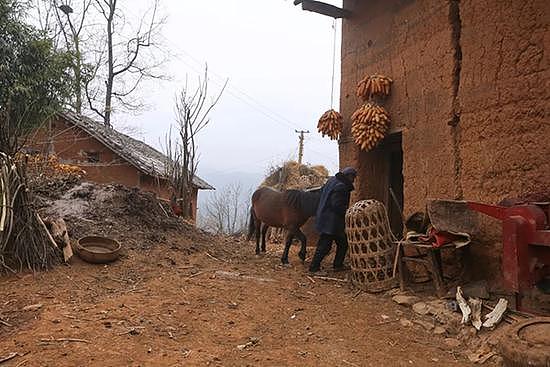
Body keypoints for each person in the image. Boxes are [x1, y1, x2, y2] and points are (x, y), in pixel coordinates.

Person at [309, 166, 356, 273]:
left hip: (327, 218)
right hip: (331, 222)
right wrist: (348, 212)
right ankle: (314, 268)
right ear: (349, 176)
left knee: (343, 243)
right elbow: (336, 205)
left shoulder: (332, 181)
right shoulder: (341, 186)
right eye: (353, 177)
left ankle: (338, 265)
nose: (353, 180)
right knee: (324, 246)